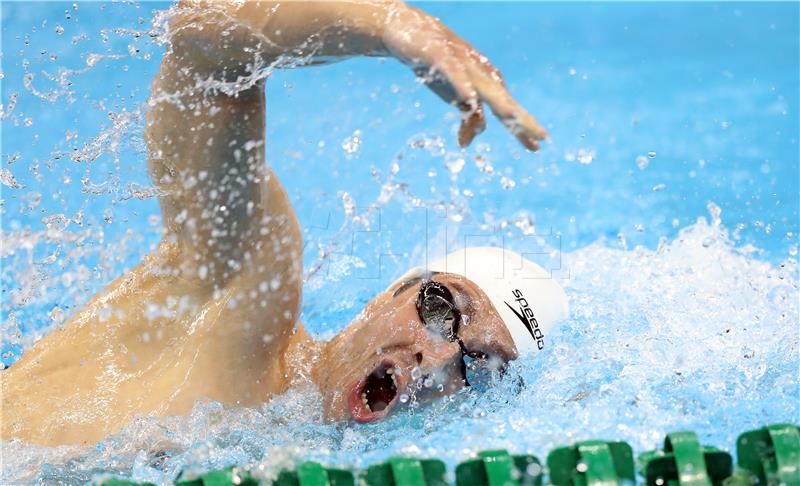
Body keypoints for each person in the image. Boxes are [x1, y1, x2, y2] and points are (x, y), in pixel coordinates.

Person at [0, 0, 567, 447]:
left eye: (481, 368)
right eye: (443, 311)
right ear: (391, 291)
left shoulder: (296, 444)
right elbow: (203, 47)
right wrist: (393, 25)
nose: (437, 358)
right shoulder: (246, 295)